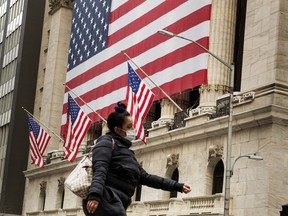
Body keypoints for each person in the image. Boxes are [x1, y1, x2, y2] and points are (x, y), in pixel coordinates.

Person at [83, 102, 191, 216]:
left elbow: (145, 177)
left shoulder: (127, 152)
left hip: (117, 201)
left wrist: (177, 186)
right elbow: (100, 169)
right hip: (106, 199)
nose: (133, 129)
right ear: (118, 129)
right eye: (129, 127)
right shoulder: (106, 143)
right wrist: (95, 195)